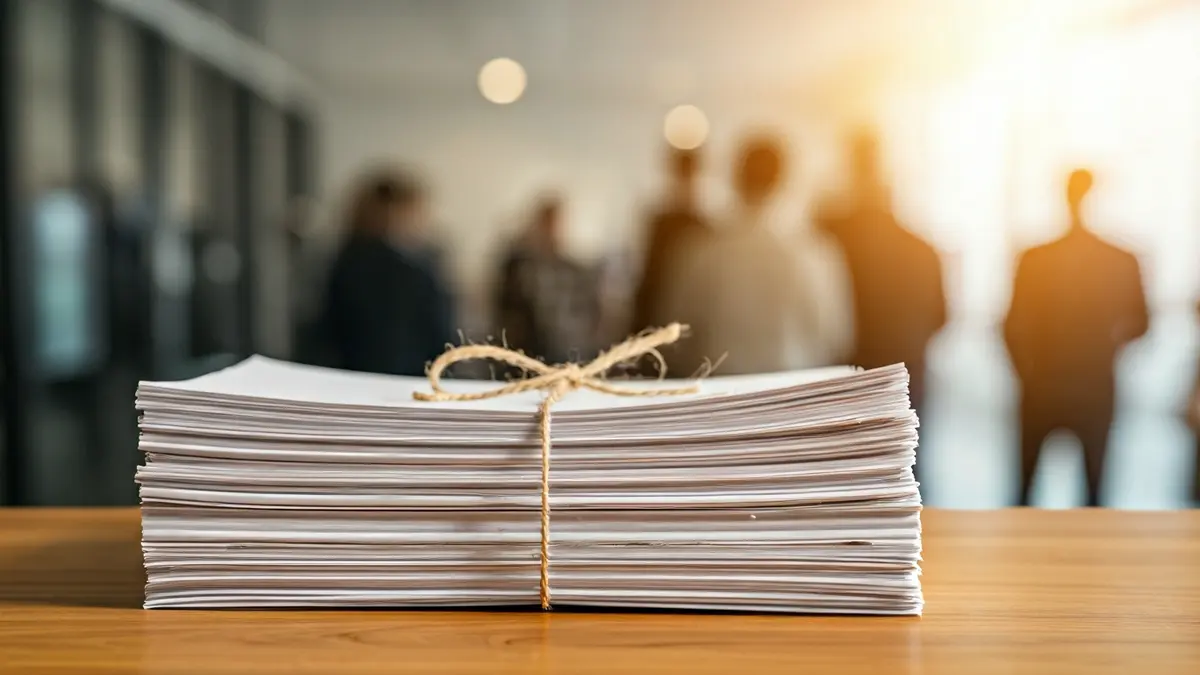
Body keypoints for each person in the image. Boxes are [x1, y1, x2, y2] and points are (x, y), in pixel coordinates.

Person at [1004, 169, 1149, 507]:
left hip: (1045, 385)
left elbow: (1012, 326)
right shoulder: (1119, 260)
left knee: (1028, 491)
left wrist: (1027, 372)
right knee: (1093, 494)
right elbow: (1141, 323)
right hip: (1090, 387)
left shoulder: (1036, 258)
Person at [665, 134, 854, 375]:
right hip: (793, 395)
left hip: (720, 395)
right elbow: (837, 337)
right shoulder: (815, 254)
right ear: (785, 182)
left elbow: (676, 337)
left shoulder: (702, 253)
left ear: (736, 178)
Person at [819, 132, 946, 481]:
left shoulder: (832, 236)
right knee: (904, 472)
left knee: (845, 473)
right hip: (905, 375)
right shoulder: (922, 249)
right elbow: (941, 316)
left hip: (848, 374)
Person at [320, 171, 457, 376]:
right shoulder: (409, 269)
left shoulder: (345, 259)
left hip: (352, 376)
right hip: (407, 378)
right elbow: (437, 334)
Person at [495, 195, 602, 366]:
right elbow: (506, 313)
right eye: (546, 223)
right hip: (530, 354)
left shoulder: (574, 271)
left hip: (569, 353)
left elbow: (591, 313)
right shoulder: (519, 267)